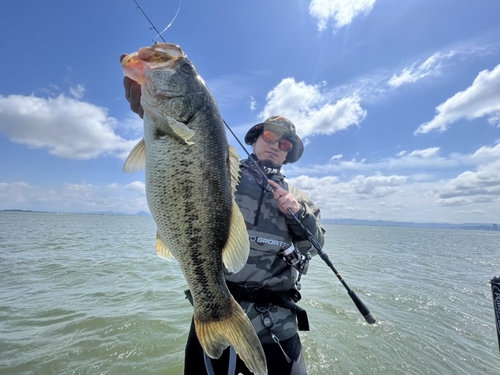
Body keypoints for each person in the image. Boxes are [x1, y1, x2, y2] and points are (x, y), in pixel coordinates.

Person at [122, 63, 325, 375]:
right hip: (216, 308)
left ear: (288, 154)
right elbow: (186, 149)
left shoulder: (301, 199)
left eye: (285, 145)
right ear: (257, 138)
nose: (276, 146)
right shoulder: (222, 167)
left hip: (278, 329)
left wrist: (297, 213)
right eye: (271, 136)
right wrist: (152, 109)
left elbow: (315, 246)